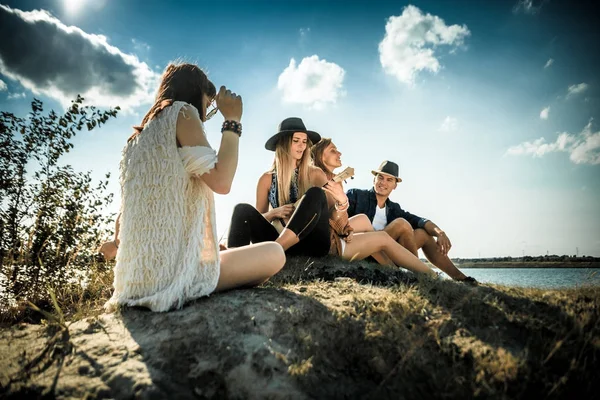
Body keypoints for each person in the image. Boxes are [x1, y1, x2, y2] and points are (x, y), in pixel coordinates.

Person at [98, 62, 285, 312]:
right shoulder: (183, 112)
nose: (206, 115)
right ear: (196, 93)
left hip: (133, 281)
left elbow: (127, 217)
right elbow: (222, 181)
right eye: (208, 105)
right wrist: (232, 120)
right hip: (170, 277)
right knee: (274, 254)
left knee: (234, 259)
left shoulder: (137, 138)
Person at [345, 160, 476, 283]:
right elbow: (340, 219)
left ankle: (460, 278)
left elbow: (420, 221)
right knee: (401, 223)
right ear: (374, 179)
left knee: (423, 234)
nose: (383, 182)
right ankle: (419, 273)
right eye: (380, 177)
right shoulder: (356, 195)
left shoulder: (394, 209)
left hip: (388, 252)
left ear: (395, 185)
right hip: (363, 250)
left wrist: (440, 233)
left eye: (389, 179)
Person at [227, 117, 335, 257]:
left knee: (316, 193)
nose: (302, 146)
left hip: (312, 243)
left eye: (304, 142)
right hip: (279, 240)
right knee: (241, 210)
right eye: (296, 141)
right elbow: (260, 219)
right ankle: (233, 260)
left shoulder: (315, 173)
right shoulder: (267, 179)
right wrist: (274, 213)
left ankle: (275, 250)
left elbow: (331, 210)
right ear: (283, 144)